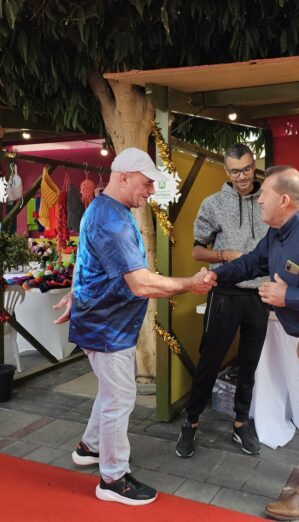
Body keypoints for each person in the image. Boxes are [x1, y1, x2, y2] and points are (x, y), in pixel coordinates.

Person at [53, 148, 215, 506]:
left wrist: (76, 293)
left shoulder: (104, 208)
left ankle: (89, 447)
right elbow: (140, 284)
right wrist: (190, 283)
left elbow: (86, 260)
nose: (151, 191)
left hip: (104, 321)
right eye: (146, 183)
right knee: (120, 399)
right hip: (106, 326)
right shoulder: (110, 218)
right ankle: (113, 478)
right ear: (123, 177)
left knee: (111, 393)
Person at [201, 166, 299, 520]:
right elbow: (253, 262)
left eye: (263, 195)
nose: (258, 200)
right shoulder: (278, 231)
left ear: (285, 199)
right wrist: (214, 277)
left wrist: (287, 296)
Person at [175, 143, 270, 458]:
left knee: (249, 362)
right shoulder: (213, 204)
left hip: (259, 294)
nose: (242, 176)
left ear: (254, 166)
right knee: (209, 360)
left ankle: (241, 423)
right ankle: (191, 421)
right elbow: (196, 251)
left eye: (247, 169)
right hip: (225, 291)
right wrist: (224, 255)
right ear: (226, 171)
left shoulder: (268, 198)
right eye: (235, 171)